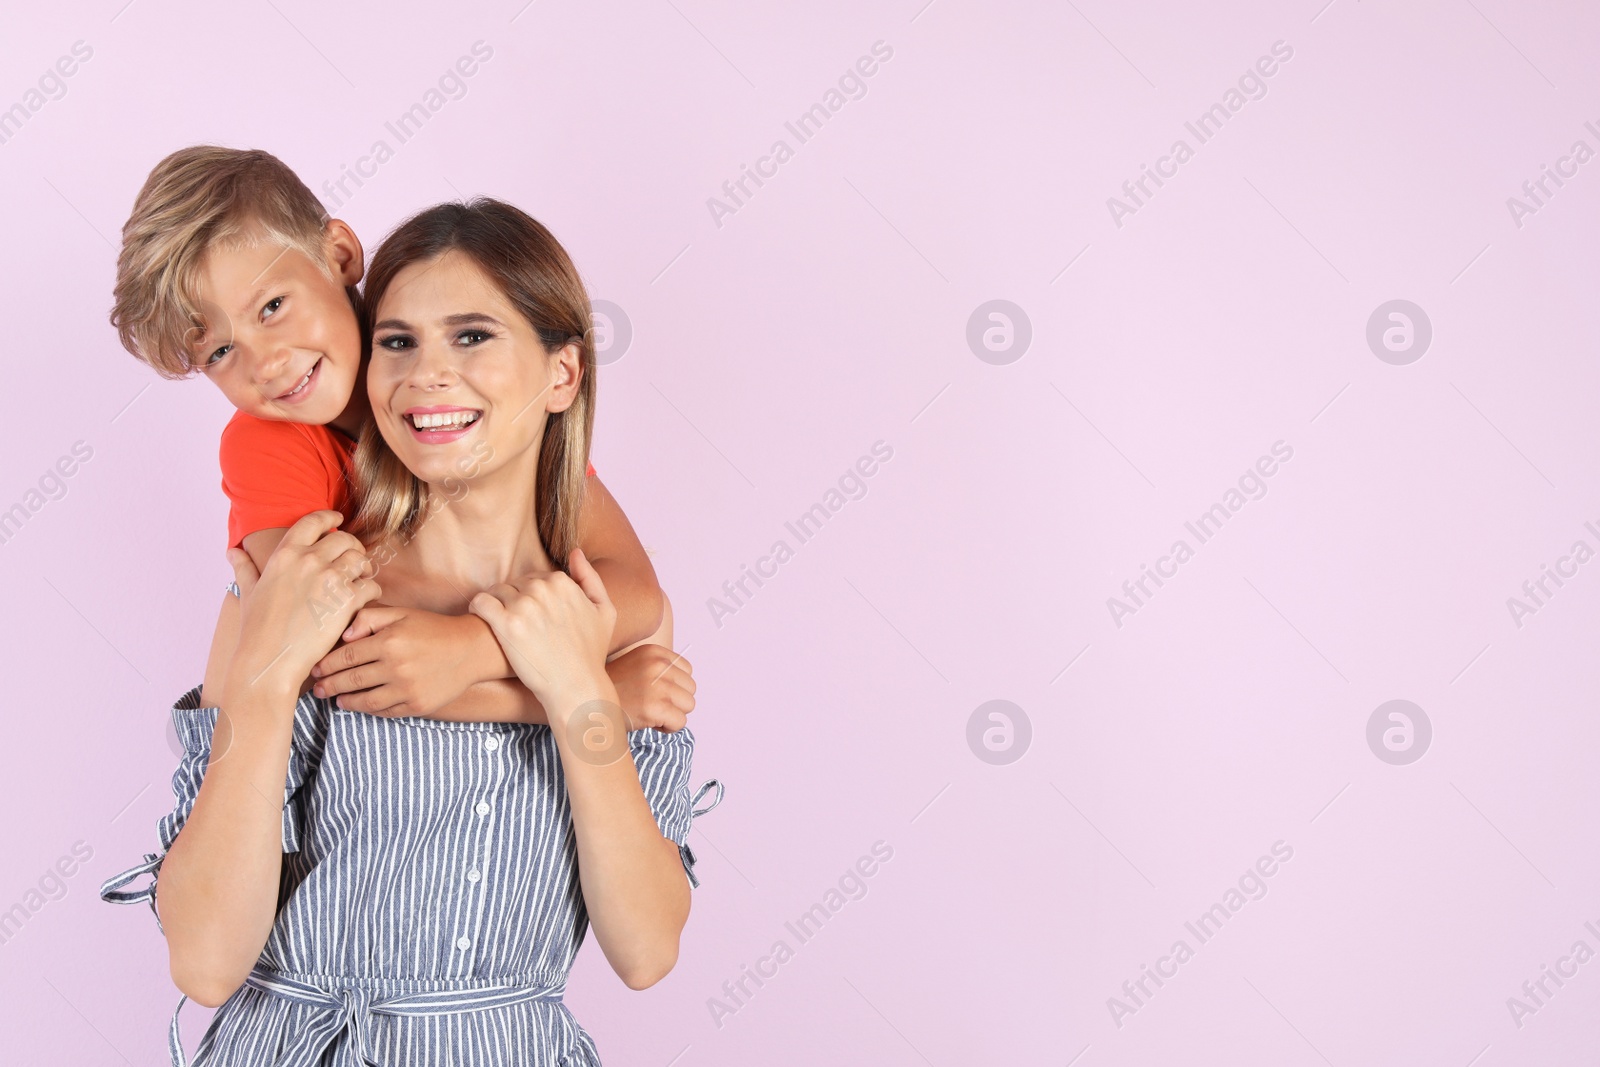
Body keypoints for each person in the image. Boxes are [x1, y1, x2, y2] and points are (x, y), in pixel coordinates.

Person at [102, 197, 723, 1066]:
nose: (429, 373)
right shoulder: (299, 591)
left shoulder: (603, 628)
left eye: (472, 336)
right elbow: (204, 964)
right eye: (397, 342)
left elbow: (647, 949)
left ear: (562, 375)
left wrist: (581, 692)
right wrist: (268, 675)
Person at [107, 146, 686, 725]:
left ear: (339, 255)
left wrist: (470, 648)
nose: (266, 363)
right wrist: (589, 699)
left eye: (273, 306)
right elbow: (324, 657)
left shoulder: (468, 409)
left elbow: (636, 593)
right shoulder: (265, 444)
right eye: (221, 352)